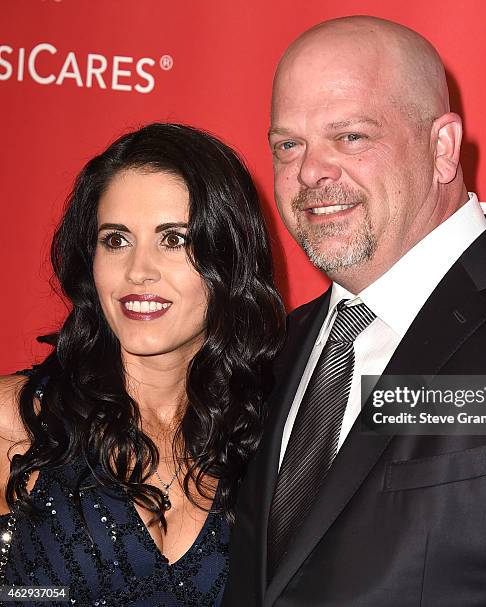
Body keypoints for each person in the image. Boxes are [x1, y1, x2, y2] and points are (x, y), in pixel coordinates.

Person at [223, 16, 486, 607]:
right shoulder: (281, 346)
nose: (309, 172)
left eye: (350, 136)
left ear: (443, 147)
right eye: (288, 144)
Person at [0, 123, 284, 606]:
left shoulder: (263, 434)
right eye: (115, 240)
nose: (138, 270)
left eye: (173, 240)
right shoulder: (17, 418)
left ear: (229, 258)